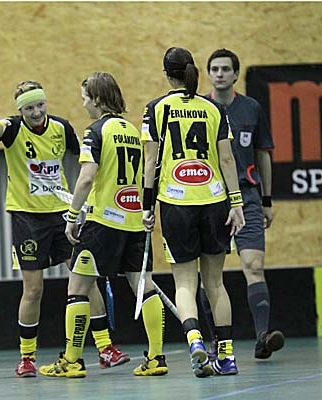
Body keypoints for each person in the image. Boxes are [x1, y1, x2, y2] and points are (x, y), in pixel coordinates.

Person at [0, 79, 129, 378]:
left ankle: (105, 348)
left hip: (61, 215)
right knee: (33, 289)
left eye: (40, 105)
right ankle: (27, 357)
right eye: (29, 108)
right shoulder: (12, 128)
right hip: (27, 218)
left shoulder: (61, 127)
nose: (36, 112)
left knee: (87, 280)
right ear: (21, 110)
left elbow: (89, 160)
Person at [38, 72, 168, 379]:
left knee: (77, 288)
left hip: (102, 223)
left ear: (97, 99)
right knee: (144, 286)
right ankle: (156, 357)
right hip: (134, 222)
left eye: (85, 98)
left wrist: (72, 216)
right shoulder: (132, 130)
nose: (83, 104)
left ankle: (72, 361)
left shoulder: (95, 131)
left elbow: (86, 177)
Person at [141, 47, 245, 378]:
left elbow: (150, 162)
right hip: (214, 201)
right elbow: (227, 159)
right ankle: (226, 357)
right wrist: (237, 203)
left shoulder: (155, 109)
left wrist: (146, 206)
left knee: (185, 283)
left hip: (176, 204)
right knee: (216, 283)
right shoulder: (214, 108)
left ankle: (195, 340)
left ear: (166, 74)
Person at [197, 48, 283, 360]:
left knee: (254, 266)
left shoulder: (251, 108)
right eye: (214, 69)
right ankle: (216, 340)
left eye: (225, 69)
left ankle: (263, 337)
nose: (219, 74)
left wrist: (266, 200)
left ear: (235, 74)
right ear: (209, 74)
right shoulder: (200, 109)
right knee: (210, 277)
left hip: (247, 197)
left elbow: (263, 155)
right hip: (211, 199)